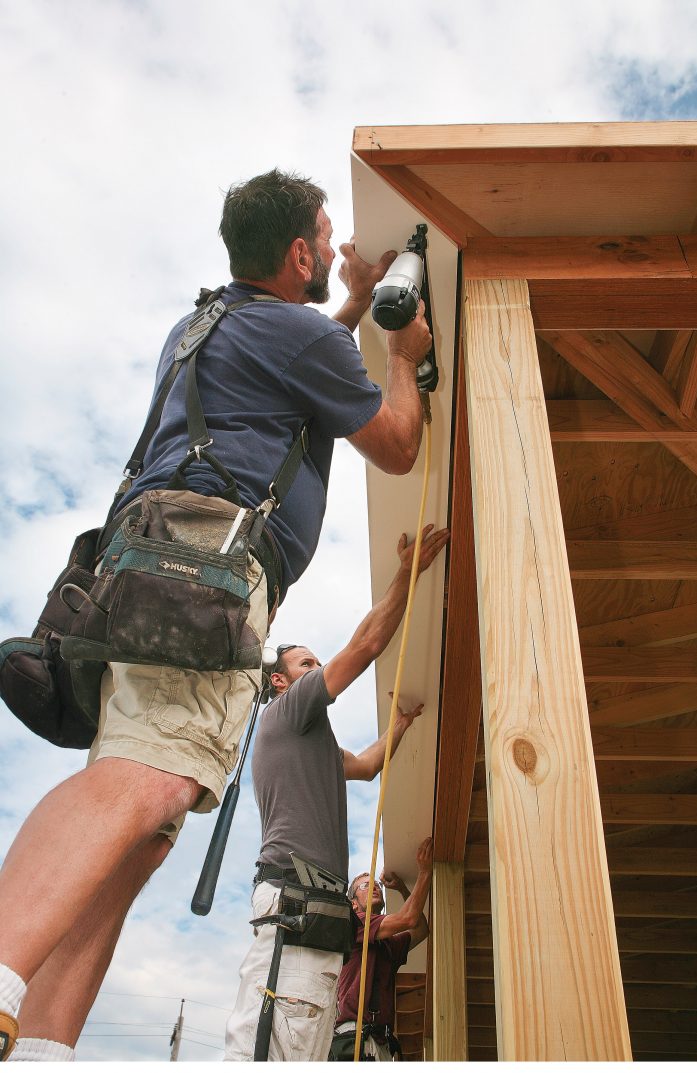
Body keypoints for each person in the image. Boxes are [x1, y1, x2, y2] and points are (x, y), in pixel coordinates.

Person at [0, 169, 433, 1062]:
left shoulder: (208, 326)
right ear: (302, 252)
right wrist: (400, 347)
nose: (333, 246)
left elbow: (297, 370)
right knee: (146, 782)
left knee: (140, 834)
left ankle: (39, 1048)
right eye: (325, 233)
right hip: (206, 569)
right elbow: (395, 445)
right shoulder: (292, 334)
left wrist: (346, 309)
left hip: (153, 567)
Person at [224, 525, 448, 1062]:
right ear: (281, 682)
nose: (317, 669)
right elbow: (367, 645)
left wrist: (400, 727)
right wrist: (406, 572)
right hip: (296, 905)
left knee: (302, 1042)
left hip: (316, 911)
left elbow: (368, 767)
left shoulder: (316, 744)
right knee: (276, 1044)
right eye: (306, 664)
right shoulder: (289, 711)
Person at [332, 838, 433, 1061]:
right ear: (354, 904)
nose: (374, 887)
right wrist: (425, 872)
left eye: (375, 885)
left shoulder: (386, 945)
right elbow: (408, 918)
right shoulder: (355, 924)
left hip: (381, 1042)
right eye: (365, 885)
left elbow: (421, 929)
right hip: (356, 1038)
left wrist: (402, 888)